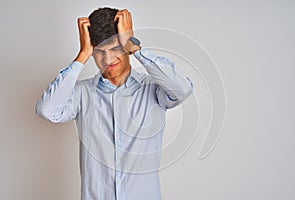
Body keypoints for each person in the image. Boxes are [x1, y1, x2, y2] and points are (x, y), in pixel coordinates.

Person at [36, 7, 193, 200]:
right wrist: (83, 54)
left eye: (115, 49)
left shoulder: (153, 90)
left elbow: (183, 89)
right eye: (100, 52)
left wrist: (135, 47)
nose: (108, 59)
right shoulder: (82, 93)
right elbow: (47, 110)